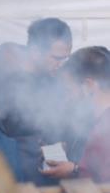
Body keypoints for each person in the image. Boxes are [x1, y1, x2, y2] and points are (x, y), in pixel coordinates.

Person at [0, 17, 72, 183]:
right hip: (12, 178)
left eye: (66, 58)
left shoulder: (51, 81)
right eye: (57, 58)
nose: (62, 64)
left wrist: (58, 143)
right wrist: (30, 145)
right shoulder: (1, 81)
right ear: (36, 51)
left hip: (44, 175)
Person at [43, 47, 110, 182]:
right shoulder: (97, 122)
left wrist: (74, 170)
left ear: (89, 86)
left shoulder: (104, 128)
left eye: (68, 90)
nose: (67, 99)